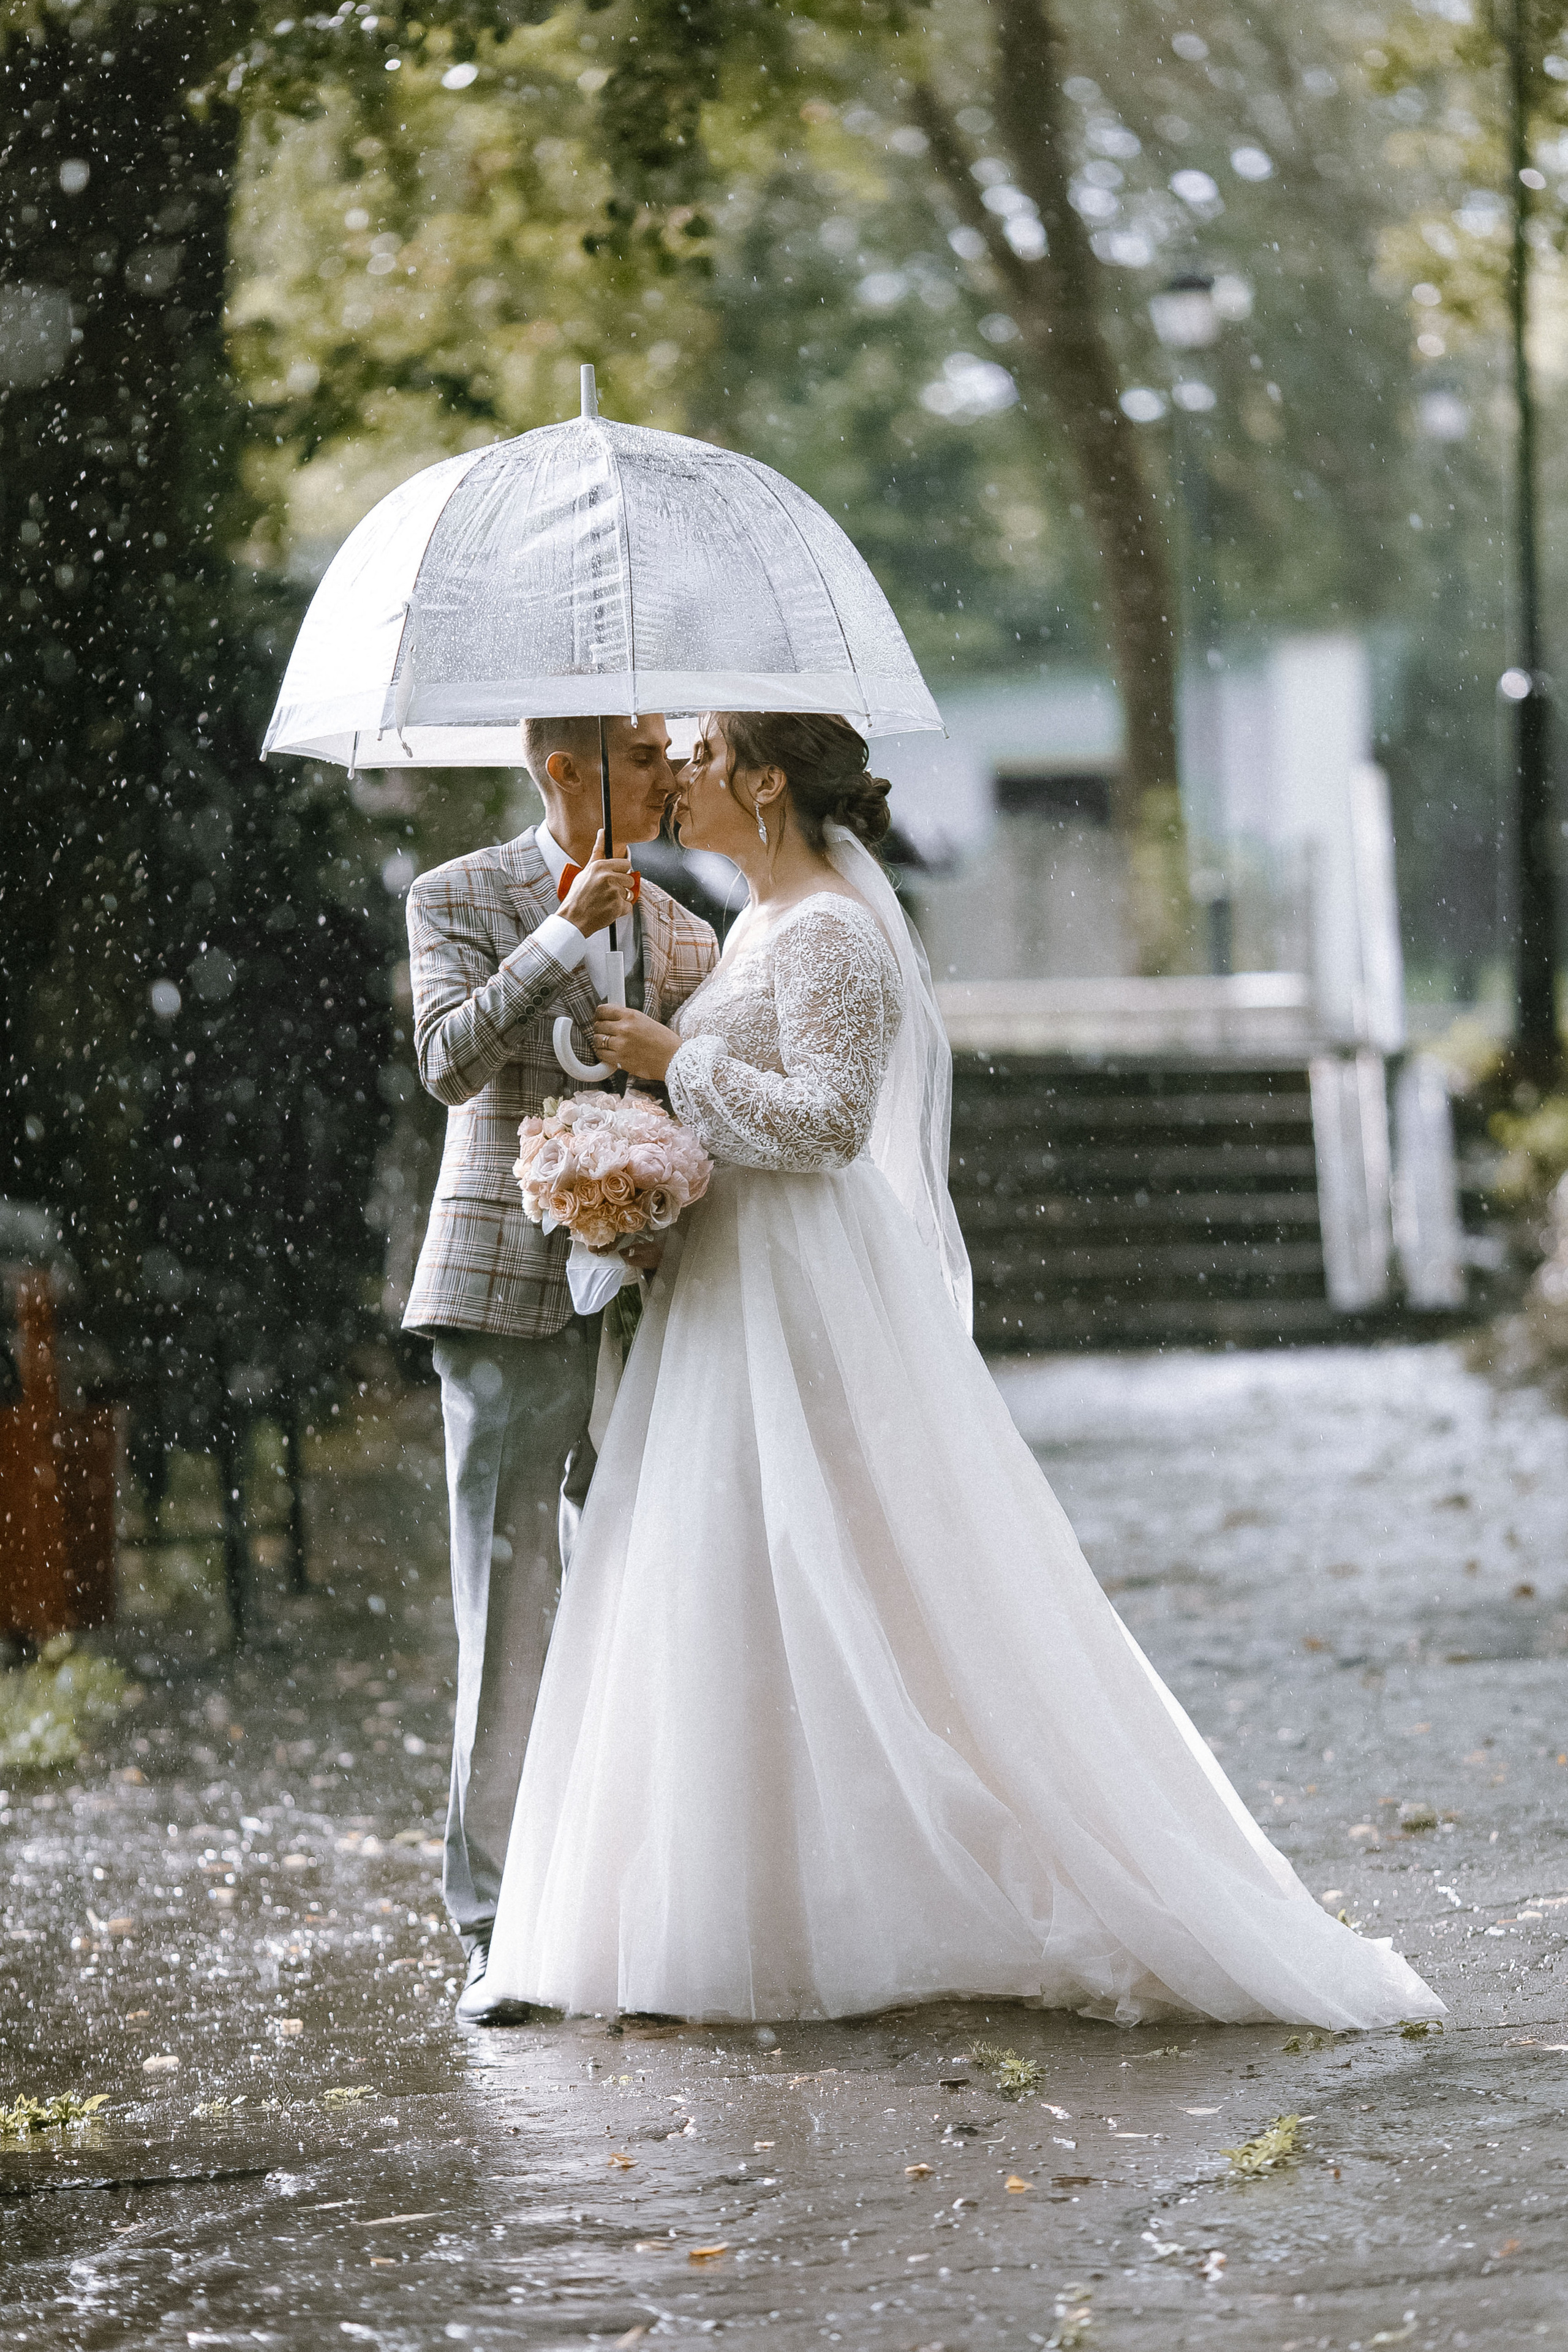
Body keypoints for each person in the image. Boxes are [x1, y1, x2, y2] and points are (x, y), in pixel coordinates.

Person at [480, 710, 1444, 2032]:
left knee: (852, 1562)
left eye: (701, 757)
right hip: (728, 1284)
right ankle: (765, 1884)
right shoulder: (752, 925)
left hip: (806, 1286)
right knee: (735, 1574)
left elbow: (826, 1123)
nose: (682, 777)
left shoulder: (829, 930)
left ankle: (962, 1873)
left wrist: (674, 1062)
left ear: (763, 785)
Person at [402, 713, 717, 2024]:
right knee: (512, 1603)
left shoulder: (690, 935)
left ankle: (628, 1897)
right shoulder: (458, 894)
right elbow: (446, 1063)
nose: (667, 770)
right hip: (501, 1297)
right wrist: (555, 937)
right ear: (561, 772)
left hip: (648, 1298)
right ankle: (492, 1923)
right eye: (642, 752)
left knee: (645, 1595)